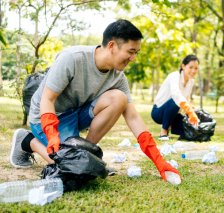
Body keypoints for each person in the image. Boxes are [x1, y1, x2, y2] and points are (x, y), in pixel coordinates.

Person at [9, 19, 179, 181]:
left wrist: (159, 160)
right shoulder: (72, 58)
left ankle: (84, 154)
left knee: (118, 98)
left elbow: (133, 117)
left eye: (136, 53)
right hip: (46, 116)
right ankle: (27, 141)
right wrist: (52, 134)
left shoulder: (118, 78)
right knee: (73, 170)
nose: (133, 58)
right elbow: (48, 99)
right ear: (112, 45)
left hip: (74, 115)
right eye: (131, 52)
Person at [151, 55, 199, 140]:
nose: (193, 71)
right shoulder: (174, 76)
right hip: (158, 112)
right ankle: (164, 132)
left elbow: (186, 99)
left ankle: (174, 128)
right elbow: (176, 95)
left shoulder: (191, 82)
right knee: (175, 100)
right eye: (191, 67)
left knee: (190, 131)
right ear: (183, 66)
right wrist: (189, 110)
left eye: (196, 68)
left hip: (174, 113)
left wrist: (193, 112)